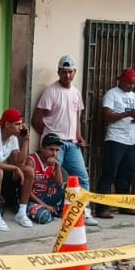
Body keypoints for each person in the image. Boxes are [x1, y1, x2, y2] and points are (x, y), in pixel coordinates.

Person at [31, 54, 96, 224]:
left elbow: (77, 117)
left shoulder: (75, 93)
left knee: (81, 177)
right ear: (58, 72)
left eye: (70, 72)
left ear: (74, 73)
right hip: (56, 145)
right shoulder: (51, 91)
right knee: (52, 179)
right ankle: (50, 208)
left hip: (72, 144)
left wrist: (79, 136)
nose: (67, 76)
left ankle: (84, 211)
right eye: (63, 72)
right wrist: (49, 140)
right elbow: (36, 119)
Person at [99, 68, 135, 215]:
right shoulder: (112, 94)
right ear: (121, 80)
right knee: (109, 173)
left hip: (130, 141)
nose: (131, 86)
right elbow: (106, 115)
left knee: (126, 175)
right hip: (115, 139)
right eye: (129, 83)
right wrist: (128, 113)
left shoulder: (133, 95)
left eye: (133, 83)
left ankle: (124, 205)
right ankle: (102, 207)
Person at [24, 134, 67, 223]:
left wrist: (57, 166)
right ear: (42, 148)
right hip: (31, 199)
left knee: (69, 186)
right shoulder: (31, 160)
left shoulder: (54, 161)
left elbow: (59, 185)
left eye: (57, 150)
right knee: (43, 217)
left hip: (46, 196)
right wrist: (45, 206)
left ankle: (58, 210)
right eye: (51, 149)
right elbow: (27, 191)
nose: (54, 153)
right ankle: (53, 211)